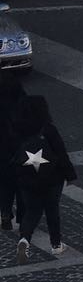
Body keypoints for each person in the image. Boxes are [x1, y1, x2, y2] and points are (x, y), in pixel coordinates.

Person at [11, 94, 76, 261]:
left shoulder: (17, 129)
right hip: (52, 177)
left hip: (27, 178)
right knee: (52, 210)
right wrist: (69, 174)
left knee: (31, 211)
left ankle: (24, 239)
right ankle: (56, 244)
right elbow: (60, 153)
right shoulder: (48, 129)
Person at [0, 73, 23, 231]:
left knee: (4, 184)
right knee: (20, 183)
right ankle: (23, 215)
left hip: (2, 148)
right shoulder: (19, 100)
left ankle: (5, 213)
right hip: (17, 146)